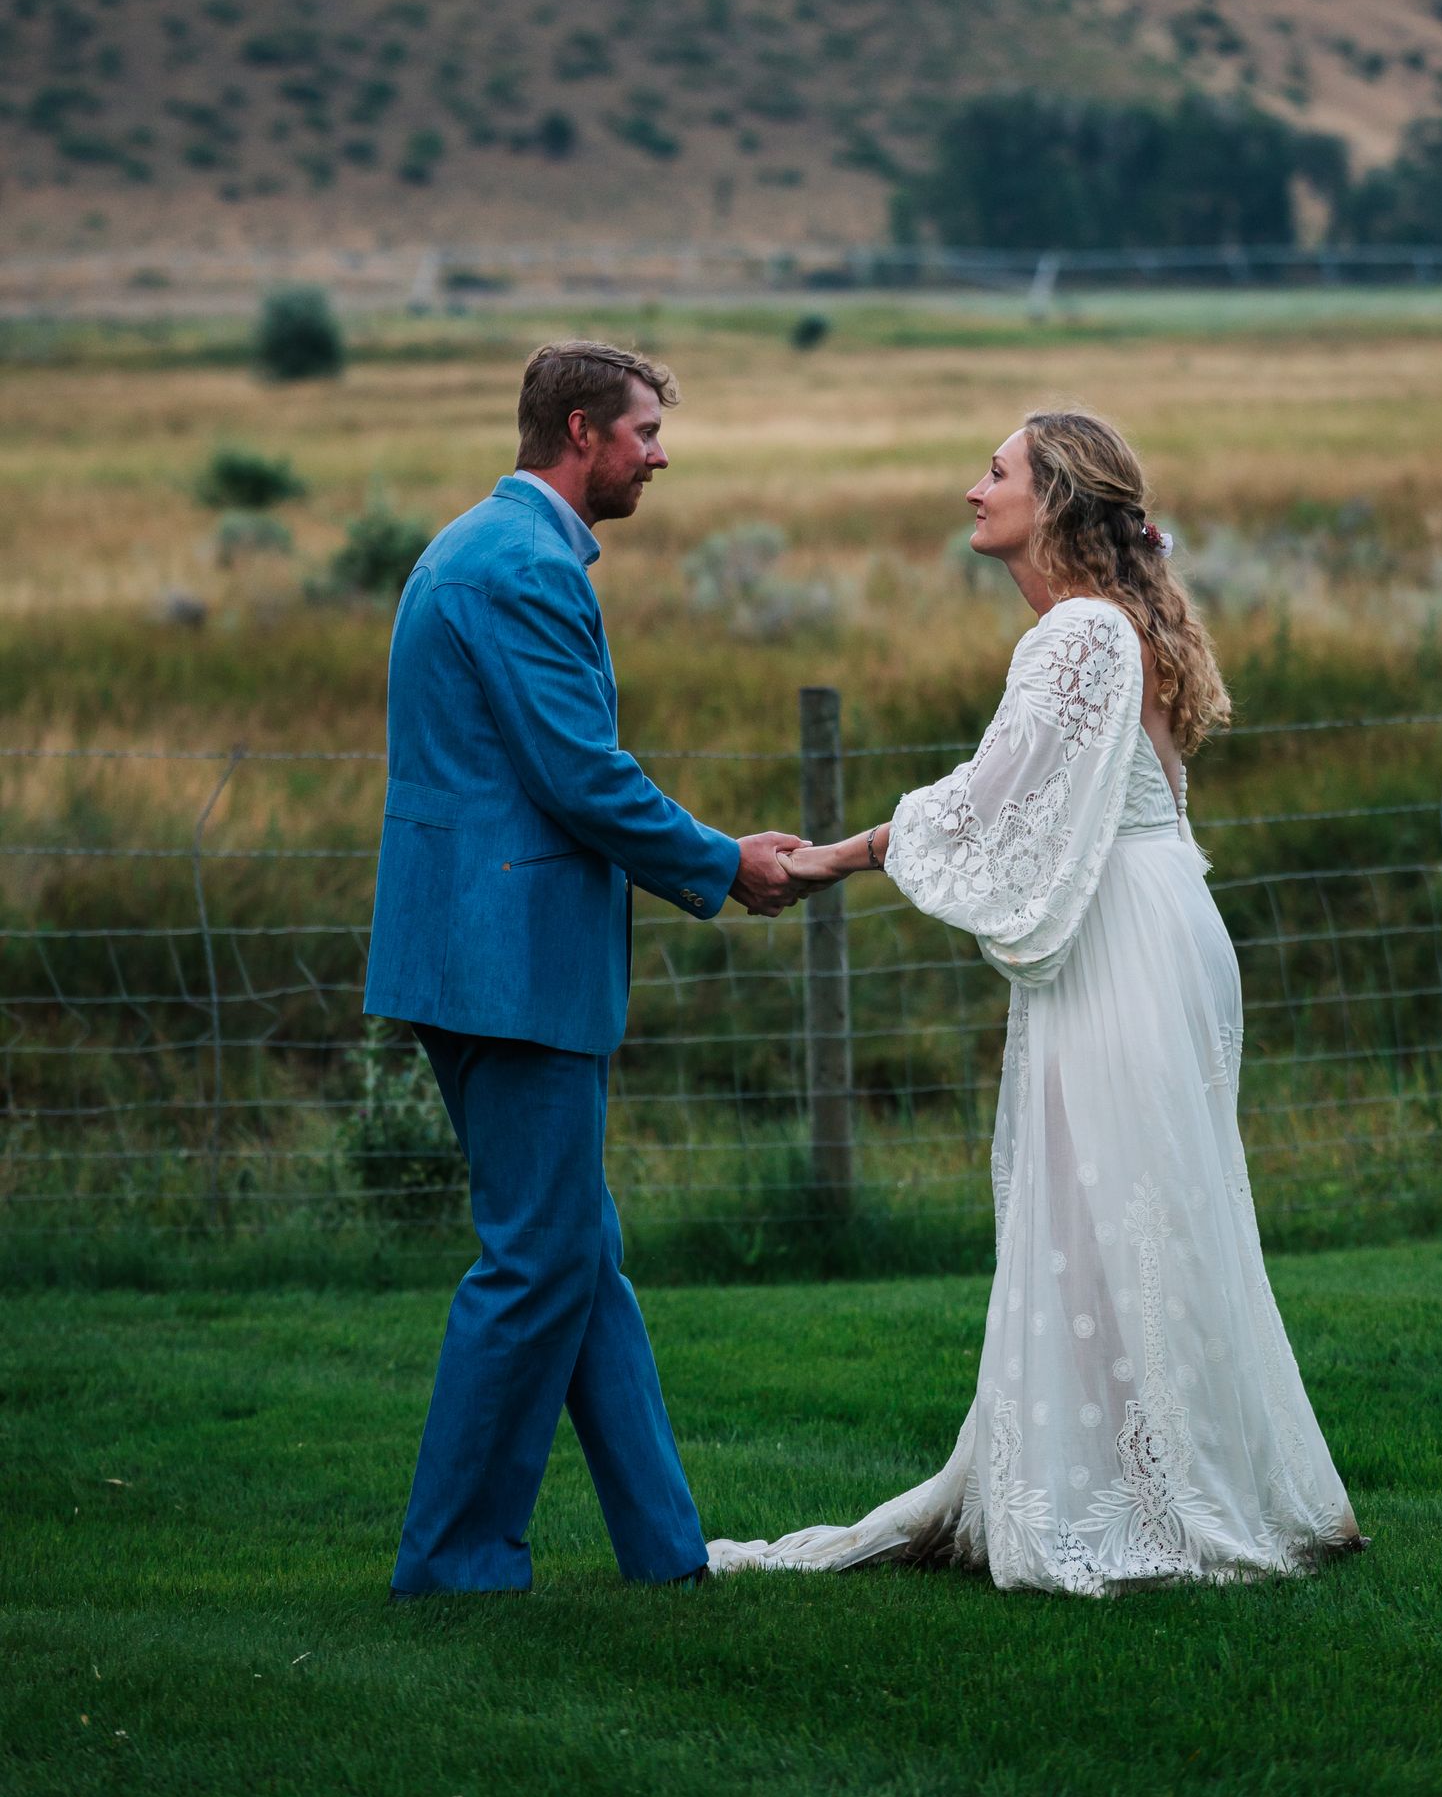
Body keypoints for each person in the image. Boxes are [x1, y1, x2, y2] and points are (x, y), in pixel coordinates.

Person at [707, 408, 1364, 1595]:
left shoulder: (1075, 637)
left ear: (1056, 499)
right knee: (1141, 1207)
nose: (974, 490)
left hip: (1123, 935)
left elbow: (987, 799)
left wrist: (834, 859)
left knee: (1113, 1211)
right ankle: (1157, 1470)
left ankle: (1133, 1499)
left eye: (996, 471)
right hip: (1162, 918)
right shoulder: (1121, 627)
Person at [366, 339, 803, 1599]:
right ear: (578, 429)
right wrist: (727, 862)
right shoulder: (517, 563)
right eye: (645, 432)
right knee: (538, 1262)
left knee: (576, 1256)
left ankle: (666, 1553)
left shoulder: (499, 545)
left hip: (483, 953)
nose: (660, 456)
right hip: (503, 961)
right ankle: (455, 1560)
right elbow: (579, 777)